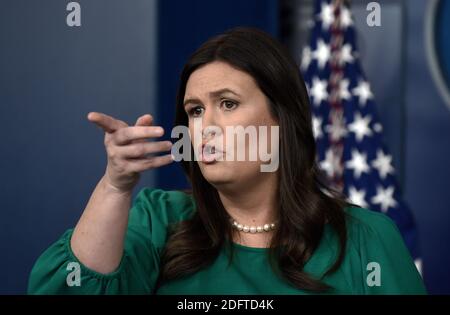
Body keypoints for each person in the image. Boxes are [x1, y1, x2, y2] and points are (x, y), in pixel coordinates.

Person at [28, 27, 426, 294]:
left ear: (281, 120)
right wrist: (115, 185)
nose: (206, 127)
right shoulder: (158, 220)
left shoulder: (366, 240)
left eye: (228, 104)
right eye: (195, 111)